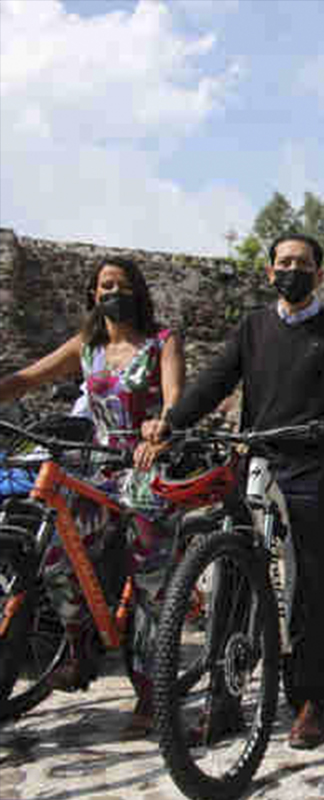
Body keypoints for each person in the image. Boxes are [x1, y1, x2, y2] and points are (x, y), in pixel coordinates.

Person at [143, 233, 324, 749]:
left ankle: (311, 699)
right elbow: (212, 383)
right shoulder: (253, 328)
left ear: (319, 275)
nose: (292, 270)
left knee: (312, 581)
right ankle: (224, 701)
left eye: (303, 264)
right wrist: (170, 422)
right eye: (283, 262)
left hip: (312, 467)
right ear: (270, 272)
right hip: (256, 464)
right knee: (233, 578)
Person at [0, 256, 184, 738]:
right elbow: (29, 378)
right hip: (98, 466)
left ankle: (150, 694)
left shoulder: (162, 342)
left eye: (121, 285)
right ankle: (80, 651)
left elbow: (174, 397)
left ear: (138, 292)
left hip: (145, 466)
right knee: (59, 558)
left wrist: (161, 424)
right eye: (104, 285)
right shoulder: (88, 346)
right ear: (92, 293)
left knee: (149, 585)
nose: (112, 293)